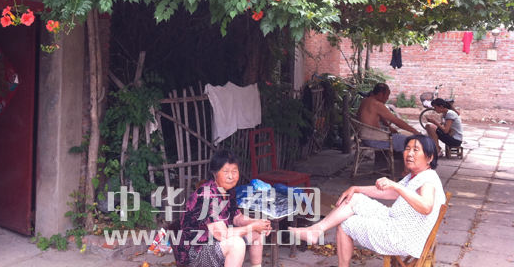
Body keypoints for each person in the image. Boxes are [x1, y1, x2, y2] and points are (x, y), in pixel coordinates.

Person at [289, 135, 445, 267]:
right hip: (396, 221)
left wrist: (396, 186)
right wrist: (357, 188)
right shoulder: (417, 175)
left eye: (416, 150)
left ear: (430, 157)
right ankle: (316, 230)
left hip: (402, 236)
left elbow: (426, 207)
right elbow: (391, 193)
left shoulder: (428, 180)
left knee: (345, 223)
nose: (409, 153)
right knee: (355, 197)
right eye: (407, 149)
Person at [175, 150, 272, 267]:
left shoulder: (228, 190)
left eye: (234, 171)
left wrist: (258, 223)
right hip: (196, 252)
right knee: (236, 244)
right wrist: (252, 226)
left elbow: (237, 218)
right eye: (226, 171)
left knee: (257, 232)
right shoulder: (207, 194)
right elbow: (221, 234)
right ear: (214, 173)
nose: (231, 176)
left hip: (215, 242)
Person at [357, 83, 421, 152]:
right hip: (374, 140)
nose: (387, 98)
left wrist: (389, 127)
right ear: (380, 94)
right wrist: (415, 132)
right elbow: (397, 122)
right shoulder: (377, 104)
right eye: (387, 96)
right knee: (408, 141)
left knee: (397, 135)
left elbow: (380, 117)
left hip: (365, 137)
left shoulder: (366, 100)